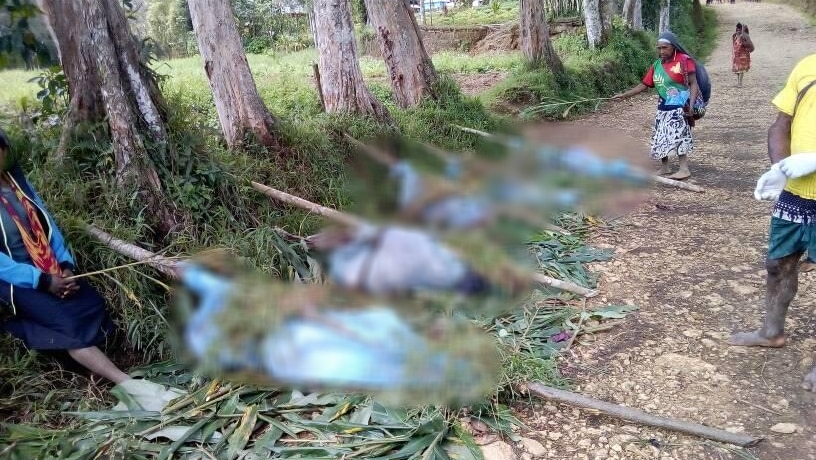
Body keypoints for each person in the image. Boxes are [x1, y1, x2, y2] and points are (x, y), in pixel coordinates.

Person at [0, 128, 183, 410]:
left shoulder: (16, 181)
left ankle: (98, 359)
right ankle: (123, 381)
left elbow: (47, 224)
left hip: (48, 263)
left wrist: (65, 266)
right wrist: (43, 281)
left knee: (89, 303)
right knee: (66, 325)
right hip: (16, 278)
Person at [730, 54, 816, 391]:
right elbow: (782, 123)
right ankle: (771, 331)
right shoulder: (808, 66)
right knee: (778, 264)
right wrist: (779, 167)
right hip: (796, 195)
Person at [612, 32, 700, 180]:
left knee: (679, 137)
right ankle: (665, 167)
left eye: (664, 48)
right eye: (659, 48)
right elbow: (644, 85)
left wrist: (691, 105)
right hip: (662, 108)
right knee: (660, 137)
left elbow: (693, 83)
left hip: (680, 107)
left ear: (673, 46)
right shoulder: (657, 65)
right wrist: (625, 95)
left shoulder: (684, 61)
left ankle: (684, 169)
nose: (661, 51)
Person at [732, 23, 754, 87]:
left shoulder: (744, 37)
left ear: (741, 30)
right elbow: (734, 45)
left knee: (741, 70)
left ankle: (740, 83)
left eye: (739, 30)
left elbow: (750, 45)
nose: (738, 31)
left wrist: (747, 48)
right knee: (737, 70)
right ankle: (738, 81)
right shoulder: (735, 36)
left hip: (743, 56)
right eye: (737, 30)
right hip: (736, 56)